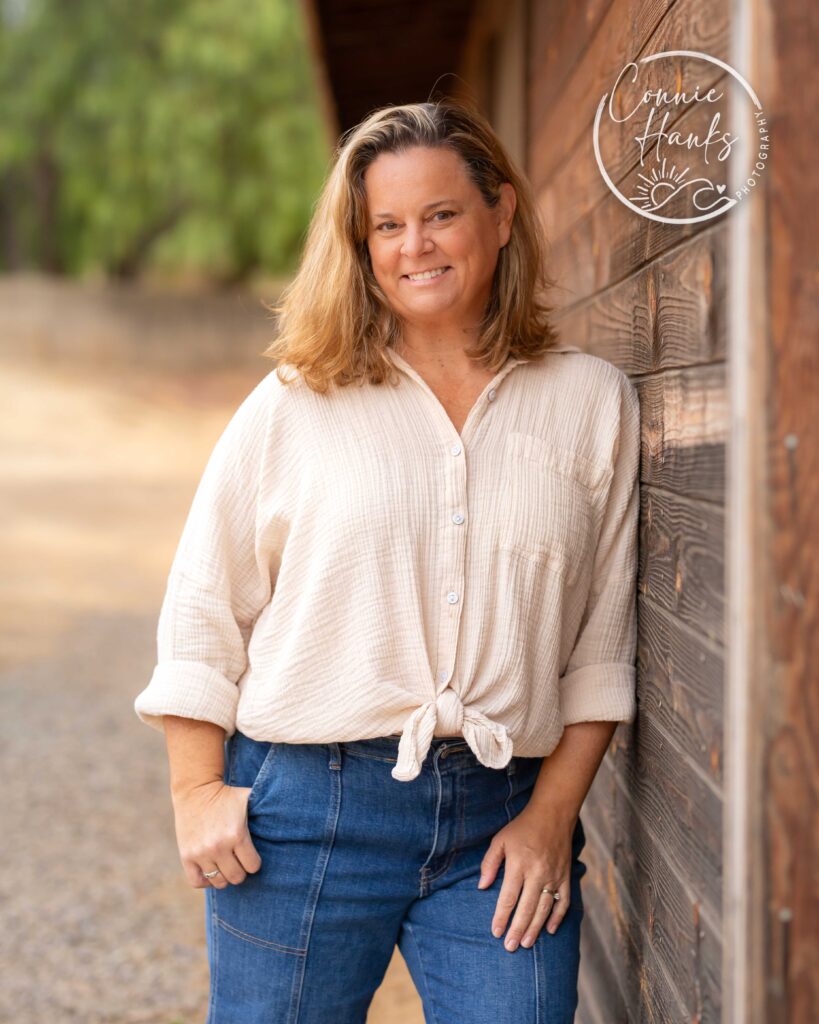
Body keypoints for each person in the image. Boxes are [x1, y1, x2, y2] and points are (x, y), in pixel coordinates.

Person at [134, 98, 641, 1024]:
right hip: (306, 816)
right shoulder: (297, 403)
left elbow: (600, 648)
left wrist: (551, 816)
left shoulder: (589, 403)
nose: (417, 245)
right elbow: (205, 603)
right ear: (360, 244)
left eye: (441, 214)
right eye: (387, 225)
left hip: (503, 821)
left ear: (500, 213)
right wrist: (196, 790)